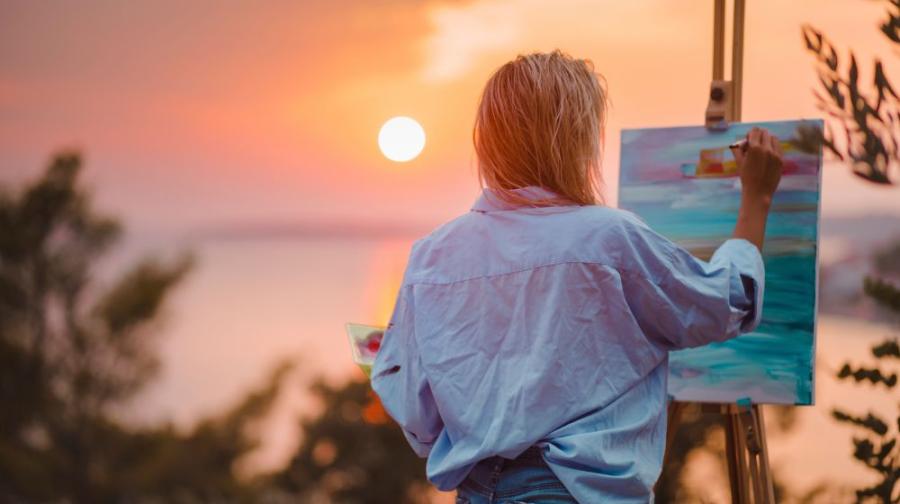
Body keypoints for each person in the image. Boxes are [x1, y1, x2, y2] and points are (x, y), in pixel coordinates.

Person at [371, 50, 783, 503]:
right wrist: (757, 199)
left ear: (488, 140)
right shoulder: (607, 238)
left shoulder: (432, 256)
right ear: (574, 138)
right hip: (572, 492)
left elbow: (411, 403)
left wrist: (482, 430)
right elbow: (727, 302)